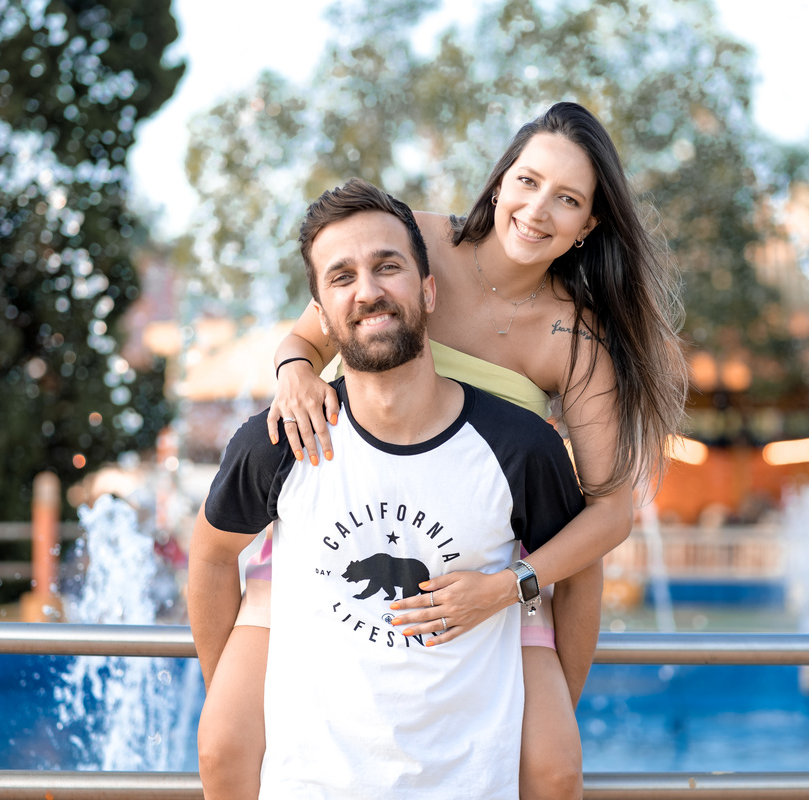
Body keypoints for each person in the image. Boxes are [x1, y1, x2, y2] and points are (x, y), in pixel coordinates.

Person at [203, 101, 688, 798]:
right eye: (527, 181)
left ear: (589, 224)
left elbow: (610, 512)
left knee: (554, 765)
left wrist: (511, 587)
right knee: (224, 745)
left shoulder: (574, 340)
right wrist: (294, 370)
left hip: (484, 568)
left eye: (567, 199)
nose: (537, 210)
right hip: (340, 527)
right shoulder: (417, 242)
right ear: (500, 180)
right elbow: (311, 329)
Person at [189, 178, 586, 798]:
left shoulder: (522, 448)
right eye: (342, 277)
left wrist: (555, 690)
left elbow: (581, 566)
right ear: (321, 315)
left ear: (429, 290)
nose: (368, 291)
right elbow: (212, 556)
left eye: (388, 267)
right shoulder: (281, 441)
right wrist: (239, 699)